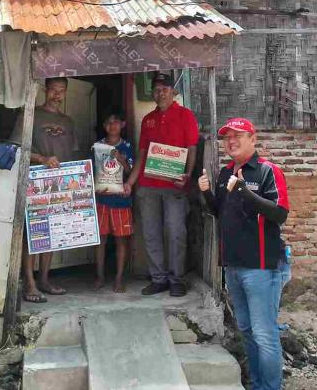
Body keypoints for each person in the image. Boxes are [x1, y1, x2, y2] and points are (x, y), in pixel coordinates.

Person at [198, 118, 290, 390]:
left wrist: (243, 190)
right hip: (234, 267)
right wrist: (205, 194)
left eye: (238, 135)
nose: (232, 141)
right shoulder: (226, 173)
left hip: (261, 267)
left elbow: (279, 213)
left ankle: (270, 387)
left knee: (264, 334)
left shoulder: (267, 172)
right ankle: (258, 384)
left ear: (253, 138)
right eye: (227, 137)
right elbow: (219, 212)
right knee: (248, 332)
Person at [124, 72, 199, 297]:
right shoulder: (148, 119)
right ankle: (158, 279)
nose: (160, 92)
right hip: (148, 185)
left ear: (173, 92)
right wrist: (130, 182)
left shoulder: (186, 115)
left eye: (164, 89)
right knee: (150, 232)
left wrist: (187, 174)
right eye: (156, 89)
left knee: (176, 231)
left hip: (175, 185)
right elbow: (142, 154)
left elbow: (192, 148)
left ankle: (176, 279)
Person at [10, 77, 78, 303]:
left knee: (52, 232)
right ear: (45, 90)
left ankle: (44, 280)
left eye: (61, 91)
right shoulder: (30, 115)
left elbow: (71, 154)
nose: (57, 95)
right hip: (35, 181)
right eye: (53, 90)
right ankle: (29, 283)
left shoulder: (68, 122)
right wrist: (42, 158)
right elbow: (17, 149)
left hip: (60, 184)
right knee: (33, 234)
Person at [93, 113, 134, 293]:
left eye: (115, 122)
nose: (112, 125)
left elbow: (131, 171)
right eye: (108, 122)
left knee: (121, 240)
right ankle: (100, 276)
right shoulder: (97, 146)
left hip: (120, 201)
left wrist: (121, 159)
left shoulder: (127, 147)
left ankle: (119, 278)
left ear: (122, 124)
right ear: (104, 125)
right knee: (100, 240)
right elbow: (91, 170)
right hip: (101, 199)